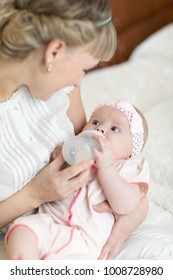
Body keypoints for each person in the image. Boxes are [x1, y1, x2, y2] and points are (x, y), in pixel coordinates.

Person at [1, 0, 172, 260]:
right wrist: (34, 194)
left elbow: (99, 156)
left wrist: (133, 214)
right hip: (28, 235)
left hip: (85, 237)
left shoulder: (66, 88)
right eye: (84, 69)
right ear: (54, 52)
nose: (80, 80)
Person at [5, 100, 150, 259]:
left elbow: (126, 205)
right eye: (95, 121)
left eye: (114, 129)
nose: (100, 128)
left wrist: (107, 168)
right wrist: (60, 156)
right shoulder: (76, 153)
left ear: (132, 151)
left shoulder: (128, 167)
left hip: (84, 243)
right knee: (23, 230)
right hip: (48, 222)